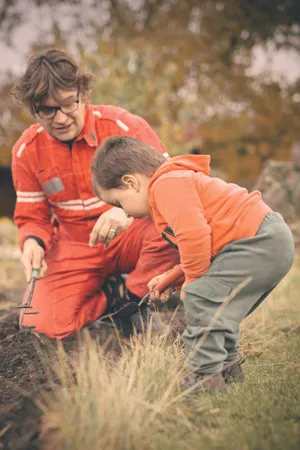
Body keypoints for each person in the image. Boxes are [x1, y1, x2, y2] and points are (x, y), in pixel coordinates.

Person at [91, 135, 295, 393]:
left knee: (200, 297)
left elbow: (194, 236)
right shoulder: (173, 184)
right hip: (264, 241)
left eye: (119, 203)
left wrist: (193, 280)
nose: (126, 213)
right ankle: (227, 367)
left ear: (131, 183)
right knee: (220, 308)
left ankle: (203, 375)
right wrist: (173, 277)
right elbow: (205, 248)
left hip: (257, 241)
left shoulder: (166, 184)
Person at [11, 49, 179, 339]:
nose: (61, 118)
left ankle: (136, 297)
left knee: (173, 228)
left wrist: (125, 210)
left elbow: (172, 186)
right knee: (35, 322)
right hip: (75, 246)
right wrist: (32, 243)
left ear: (83, 93)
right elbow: (32, 217)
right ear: (33, 109)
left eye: (67, 104)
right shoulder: (26, 151)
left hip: (132, 235)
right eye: (48, 110)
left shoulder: (125, 127)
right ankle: (109, 297)